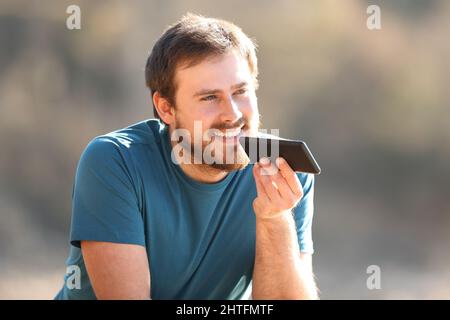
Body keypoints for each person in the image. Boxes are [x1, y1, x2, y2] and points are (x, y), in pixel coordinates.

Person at [54, 13, 318, 300]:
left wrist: (274, 218)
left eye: (241, 91)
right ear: (166, 108)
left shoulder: (282, 171)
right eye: (209, 97)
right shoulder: (115, 161)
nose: (232, 114)